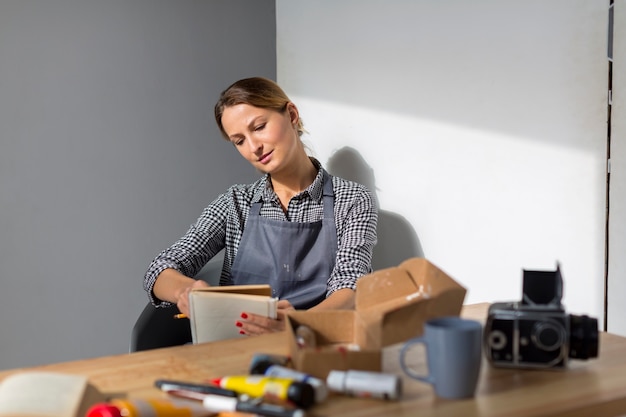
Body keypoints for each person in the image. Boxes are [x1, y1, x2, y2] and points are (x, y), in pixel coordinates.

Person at [143, 77, 378, 336]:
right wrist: (185, 291)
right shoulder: (235, 204)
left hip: (317, 344)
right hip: (237, 350)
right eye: (239, 141)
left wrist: (297, 324)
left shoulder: (352, 199)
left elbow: (351, 286)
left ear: (291, 115)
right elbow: (160, 268)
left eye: (259, 127)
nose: (254, 147)